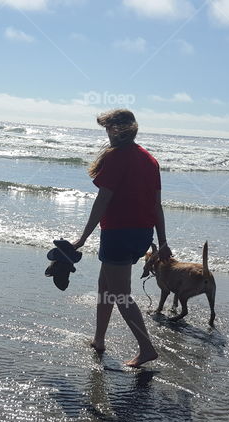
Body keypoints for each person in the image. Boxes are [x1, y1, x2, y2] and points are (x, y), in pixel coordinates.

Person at [73, 109, 172, 368]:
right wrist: (162, 242)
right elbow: (156, 206)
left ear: (118, 129)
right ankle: (99, 339)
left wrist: (83, 236)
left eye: (109, 128)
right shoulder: (149, 160)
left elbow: (103, 199)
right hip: (141, 235)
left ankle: (147, 349)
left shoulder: (117, 158)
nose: (107, 133)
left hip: (118, 233)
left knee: (121, 296)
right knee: (106, 287)